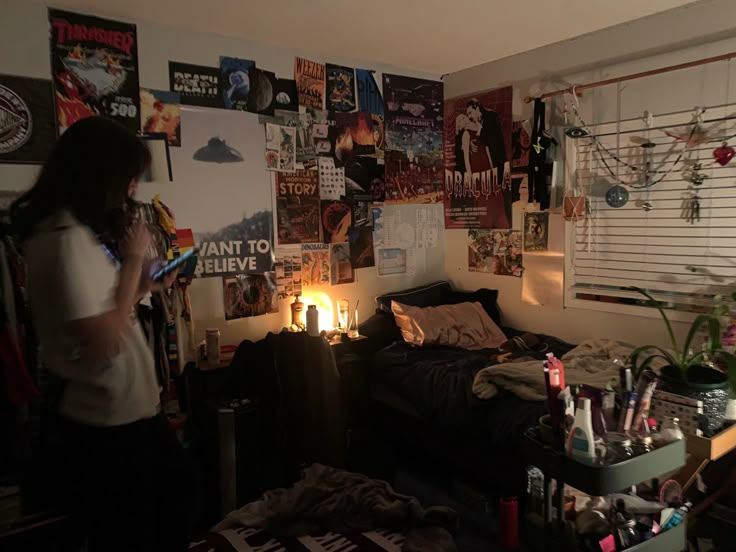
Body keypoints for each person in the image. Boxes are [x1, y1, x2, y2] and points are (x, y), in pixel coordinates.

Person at [10, 116, 196, 552]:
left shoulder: (74, 234)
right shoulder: (63, 241)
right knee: (145, 529)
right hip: (107, 422)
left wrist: (140, 286)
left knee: (179, 500)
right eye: (128, 176)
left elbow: (104, 314)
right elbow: (101, 341)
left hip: (127, 414)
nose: (133, 187)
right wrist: (132, 263)